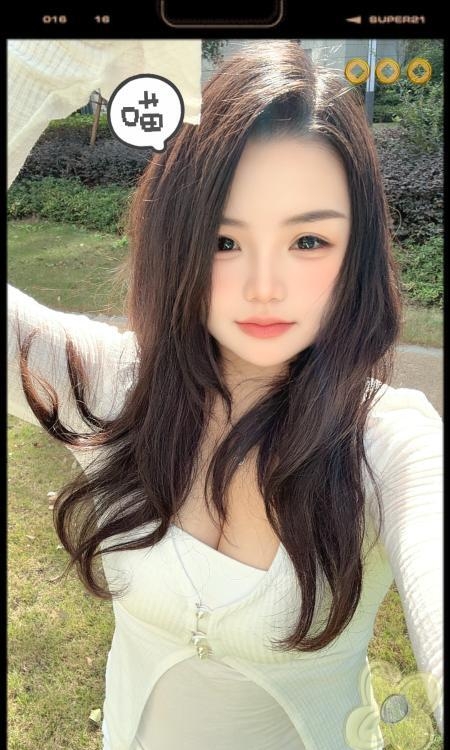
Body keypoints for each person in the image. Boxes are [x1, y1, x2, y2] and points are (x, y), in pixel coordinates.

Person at [8, 40, 442, 750]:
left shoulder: (386, 442)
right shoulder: (116, 389)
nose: (264, 286)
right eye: (224, 241)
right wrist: (59, 51)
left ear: (356, 251)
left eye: (308, 241)